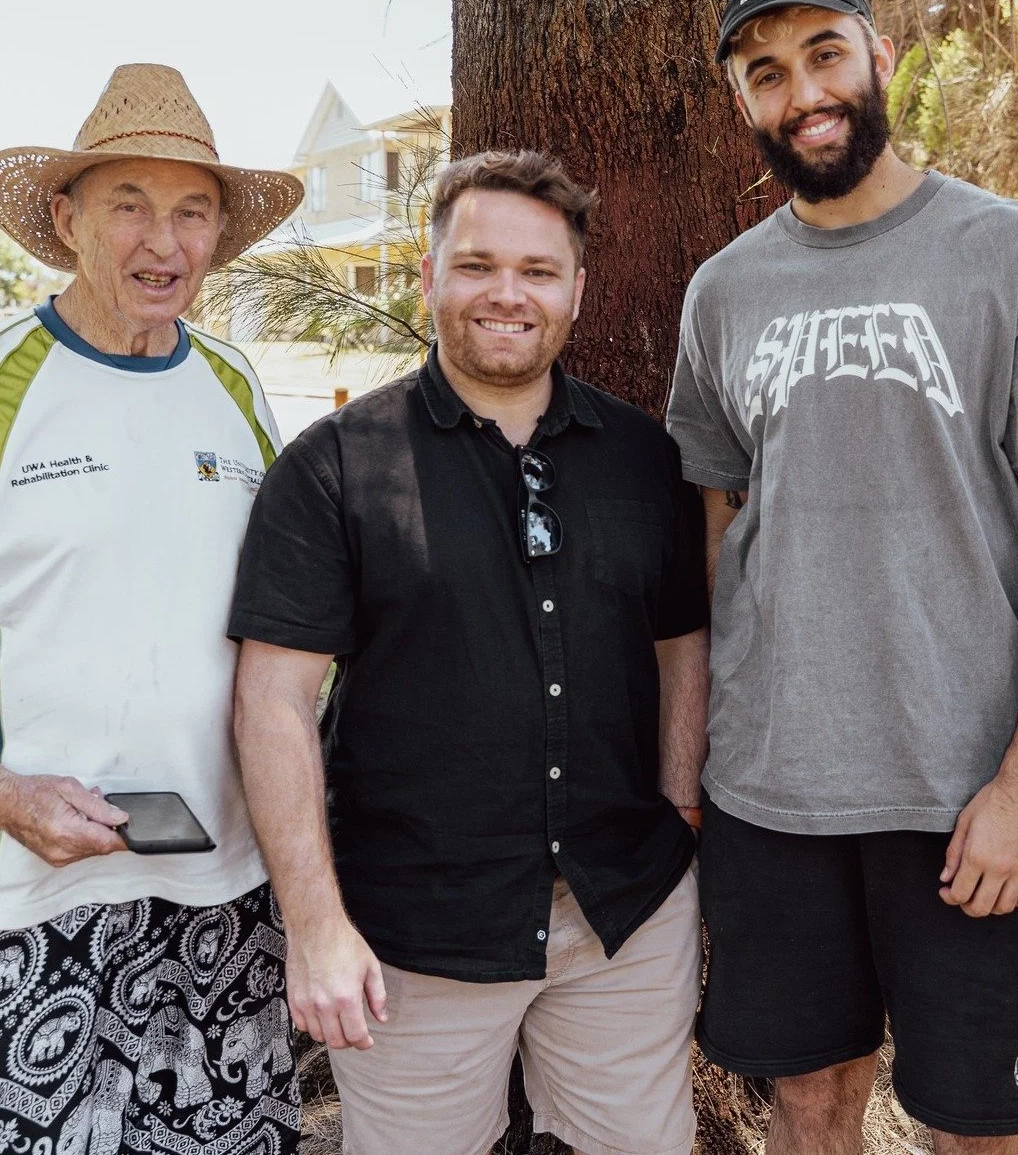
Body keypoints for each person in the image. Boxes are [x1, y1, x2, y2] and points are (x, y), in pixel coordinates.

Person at [667, 0, 1018, 1154]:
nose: (802, 92)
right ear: (742, 104)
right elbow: (716, 528)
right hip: (772, 794)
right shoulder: (723, 292)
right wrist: (701, 760)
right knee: (808, 1101)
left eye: (824, 53)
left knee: (975, 1125)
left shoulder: (1011, 256)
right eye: (765, 73)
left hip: (969, 791)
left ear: (880, 55)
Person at [227, 149, 710, 1155]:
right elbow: (272, 699)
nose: (507, 294)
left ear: (577, 289)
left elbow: (681, 642)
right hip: (413, 931)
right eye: (477, 265)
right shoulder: (336, 466)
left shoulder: (643, 456)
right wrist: (315, 925)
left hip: (623, 916)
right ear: (429, 277)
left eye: (537, 271)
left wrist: (676, 810)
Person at [0, 63, 304, 1153]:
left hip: (228, 884)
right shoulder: (3, 382)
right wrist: (4, 795)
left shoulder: (236, 384)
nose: (162, 243)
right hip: (31, 896)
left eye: (191, 212)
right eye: (128, 205)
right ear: (66, 218)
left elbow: (290, 618)